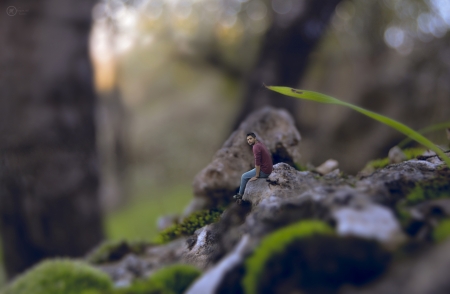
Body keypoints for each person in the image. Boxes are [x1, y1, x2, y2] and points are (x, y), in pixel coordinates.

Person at [233, 132, 273, 200]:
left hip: (265, 171)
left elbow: (257, 163)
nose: (249, 141)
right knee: (249, 173)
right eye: (248, 140)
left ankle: (240, 195)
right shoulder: (260, 143)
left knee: (244, 176)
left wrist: (256, 176)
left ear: (255, 138)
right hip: (269, 168)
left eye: (250, 139)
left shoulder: (256, 147)